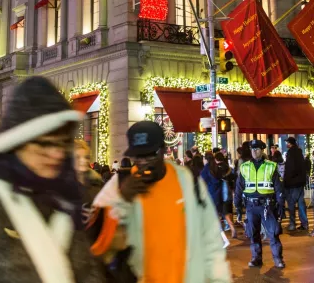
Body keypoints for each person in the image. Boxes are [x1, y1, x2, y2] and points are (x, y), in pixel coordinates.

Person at [0, 77, 106, 282]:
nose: (55, 153)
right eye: (44, 144)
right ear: (18, 142)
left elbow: (87, 272)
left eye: (62, 143)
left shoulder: (65, 198)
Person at [91, 121, 231, 282]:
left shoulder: (187, 180)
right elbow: (98, 243)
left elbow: (210, 238)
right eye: (138, 156)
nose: (144, 161)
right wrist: (122, 198)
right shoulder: (120, 184)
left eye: (150, 154)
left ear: (163, 149)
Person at [235, 139, 284, 270]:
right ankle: (256, 258)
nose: (254, 151)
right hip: (251, 206)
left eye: (257, 149)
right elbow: (239, 187)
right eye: (252, 149)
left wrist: (280, 205)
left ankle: (278, 259)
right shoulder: (245, 167)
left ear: (262, 150)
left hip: (267, 205)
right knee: (253, 233)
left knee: (273, 233)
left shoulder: (271, 166)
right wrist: (237, 205)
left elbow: (278, 187)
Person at [282, 137, 308, 232]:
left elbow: (290, 168)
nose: (286, 144)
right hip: (300, 181)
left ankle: (292, 223)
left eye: (287, 142)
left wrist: (286, 180)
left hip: (293, 182)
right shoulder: (299, 152)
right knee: (301, 203)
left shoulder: (291, 153)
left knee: (291, 203)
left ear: (290, 143)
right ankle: (304, 223)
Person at [216, 151, 237, 238]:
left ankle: (232, 227)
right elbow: (233, 177)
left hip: (222, 191)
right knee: (229, 209)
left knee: (224, 212)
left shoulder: (218, 168)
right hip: (229, 190)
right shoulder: (228, 167)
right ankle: (230, 227)